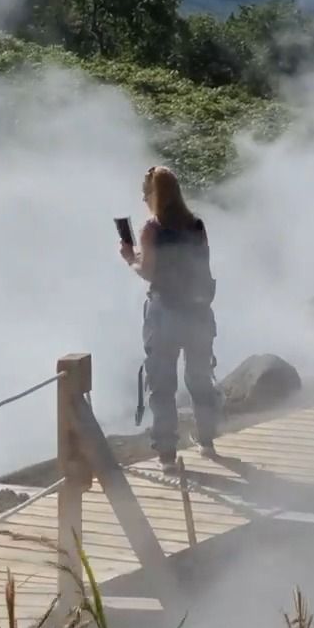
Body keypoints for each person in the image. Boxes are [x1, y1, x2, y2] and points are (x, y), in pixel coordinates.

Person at [120, 165, 220, 474]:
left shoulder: (152, 228)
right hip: (199, 311)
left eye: (145, 193)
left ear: (154, 194)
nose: (142, 198)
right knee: (200, 378)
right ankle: (207, 441)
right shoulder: (196, 225)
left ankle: (166, 454)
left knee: (162, 383)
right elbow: (200, 266)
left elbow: (149, 271)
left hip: (165, 312)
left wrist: (130, 259)